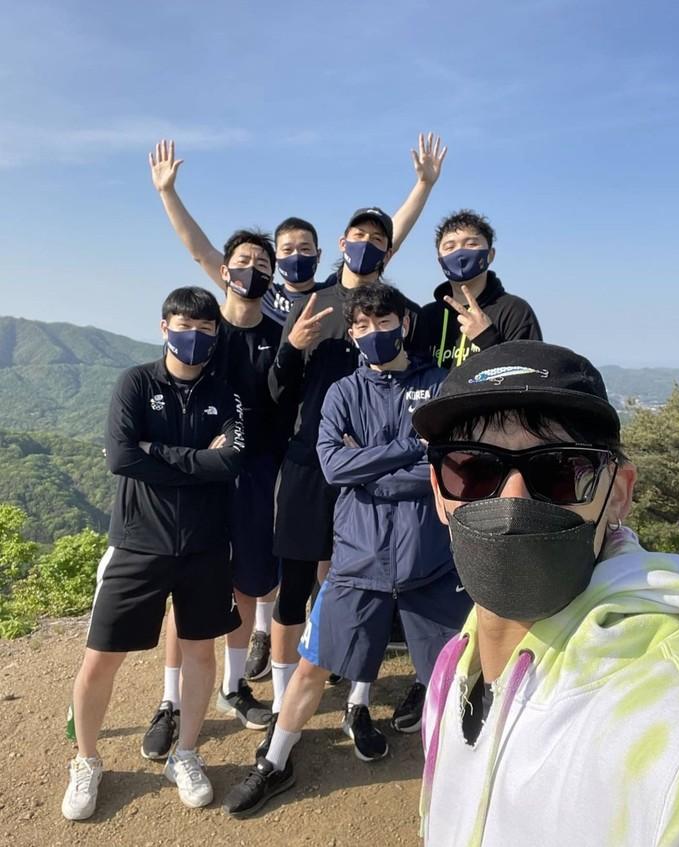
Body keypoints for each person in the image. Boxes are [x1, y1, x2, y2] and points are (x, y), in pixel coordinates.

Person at [412, 339, 679, 846]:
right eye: (473, 470)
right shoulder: (453, 666)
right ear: (439, 491)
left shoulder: (669, 709)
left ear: (618, 495)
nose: (513, 499)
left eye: (560, 472)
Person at [222, 283, 470, 817]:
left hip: (429, 561)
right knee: (313, 666)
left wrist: (372, 467)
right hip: (358, 559)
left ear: (405, 324)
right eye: (361, 326)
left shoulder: (439, 387)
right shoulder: (342, 392)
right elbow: (334, 467)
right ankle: (274, 760)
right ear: (352, 334)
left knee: (451, 676)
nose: (372, 333)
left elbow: (448, 467)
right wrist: (411, 449)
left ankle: (461, 777)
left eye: (383, 323)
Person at [62, 287, 245, 820]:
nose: (194, 336)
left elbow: (231, 463)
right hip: (136, 543)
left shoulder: (226, 395)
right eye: (184, 325)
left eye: (205, 328)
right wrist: (196, 460)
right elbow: (121, 457)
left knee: (200, 654)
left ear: (216, 333)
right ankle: (86, 760)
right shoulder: (136, 383)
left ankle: (184, 754)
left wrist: (158, 452)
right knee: (101, 657)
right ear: (164, 327)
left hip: (206, 545)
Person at [139, 228, 288, 762]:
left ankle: (233, 686)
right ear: (225, 271)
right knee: (188, 588)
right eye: (243, 260)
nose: (253, 269)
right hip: (200, 477)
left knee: (246, 585)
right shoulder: (205, 328)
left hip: (256, 475)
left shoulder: (281, 333)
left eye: (262, 263)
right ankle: (171, 701)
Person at [148, 134, 445, 324]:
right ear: (276, 257)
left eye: (305, 249)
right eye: (287, 250)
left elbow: (388, 241)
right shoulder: (260, 292)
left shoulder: (330, 291)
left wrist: (423, 185)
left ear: (319, 254)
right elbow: (202, 253)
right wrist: (167, 192)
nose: (296, 255)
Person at [413, 209, 542, 368]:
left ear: (490, 255)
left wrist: (487, 339)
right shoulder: (426, 316)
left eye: (471, 244)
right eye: (450, 247)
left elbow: (533, 374)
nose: (460, 253)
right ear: (440, 260)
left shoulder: (514, 311)